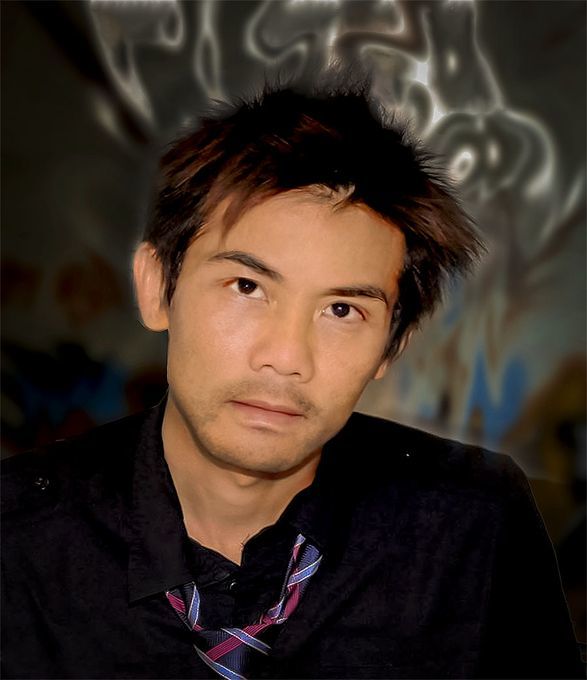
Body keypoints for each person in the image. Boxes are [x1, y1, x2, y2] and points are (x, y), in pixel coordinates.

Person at [1, 81, 583, 680]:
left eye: (342, 310)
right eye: (247, 287)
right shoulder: (17, 538)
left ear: (391, 344)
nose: (286, 357)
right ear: (157, 288)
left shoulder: (474, 523)